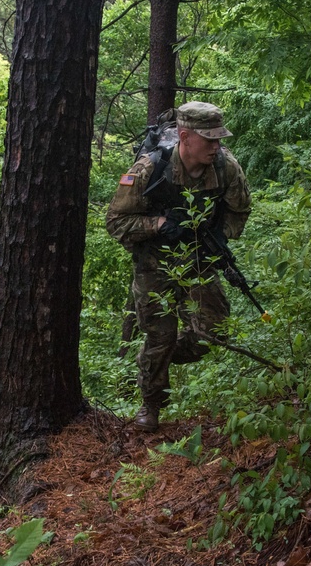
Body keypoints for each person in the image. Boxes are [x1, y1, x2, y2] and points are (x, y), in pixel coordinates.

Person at [107, 101, 252, 432]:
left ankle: (161, 356)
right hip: (154, 263)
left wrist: (219, 233)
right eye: (208, 139)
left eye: (219, 139)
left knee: (215, 329)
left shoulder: (226, 167)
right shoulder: (149, 169)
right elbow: (115, 222)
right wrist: (158, 224)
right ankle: (151, 405)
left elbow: (240, 210)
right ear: (185, 136)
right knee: (159, 335)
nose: (216, 147)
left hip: (199, 259)